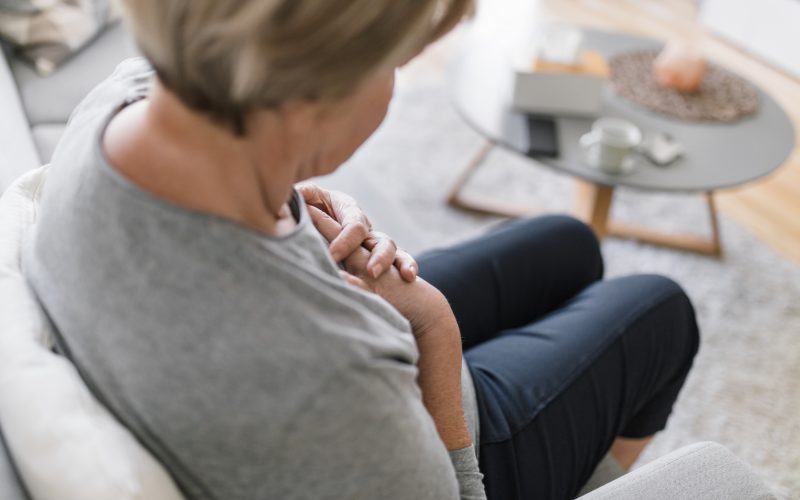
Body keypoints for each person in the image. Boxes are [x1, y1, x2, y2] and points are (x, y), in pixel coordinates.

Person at [22, 1, 700, 499]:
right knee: (661, 311)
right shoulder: (323, 385)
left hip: (334, 321)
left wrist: (285, 185)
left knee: (569, 242)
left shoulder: (120, 100)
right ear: (310, 96)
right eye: (396, 65)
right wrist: (433, 326)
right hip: (436, 428)